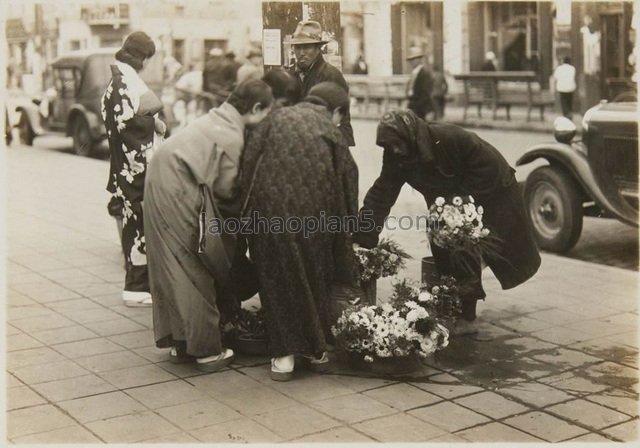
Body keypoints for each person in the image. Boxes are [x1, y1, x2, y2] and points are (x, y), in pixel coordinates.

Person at [354, 110, 541, 336]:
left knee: (463, 241)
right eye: (388, 146)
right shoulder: (396, 154)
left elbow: (486, 166)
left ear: (410, 137)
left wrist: (459, 210)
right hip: (449, 199)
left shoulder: (448, 138)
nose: (393, 151)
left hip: (493, 188)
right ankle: (452, 303)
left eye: (396, 145)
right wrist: (363, 236)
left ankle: (467, 317)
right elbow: (383, 192)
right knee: (443, 238)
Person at [143, 80, 273, 372]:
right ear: (255, 109)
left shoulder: (218, 117)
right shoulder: (232, 135)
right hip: (177, 186)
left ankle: (181, 343)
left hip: (159, 180)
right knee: (193, 266)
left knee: (170, 266)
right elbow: (227, 193)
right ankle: (206, 351)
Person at [240, 81, 359, 381]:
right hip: (315, 220)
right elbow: (349, 181)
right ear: (337, 111)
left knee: (276, 282)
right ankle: (316, 351)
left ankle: (283, 357)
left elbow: (249, 164)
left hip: (268, 218)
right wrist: (348, 229)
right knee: (314, 278)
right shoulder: (333, 132)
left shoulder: (274, 118)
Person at [101, 31, 167, 308]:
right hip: (135, 167)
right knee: (138, 226)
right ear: (143, 57)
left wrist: (152, 121)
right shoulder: (125, 84)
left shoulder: (119, 81)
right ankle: (136, 287)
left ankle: (140, 283)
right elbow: (133, 126)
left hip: (125, 164)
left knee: (136, 225)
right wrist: (154, 124)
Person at [288, 20, 355, 146]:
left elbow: (340, 118)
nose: (301, 53)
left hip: (328, 141)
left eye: (306, 47)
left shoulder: (330, 75)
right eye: (297, 47)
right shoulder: (291, 74)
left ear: (318, 48)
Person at [406, 46, 433, 121]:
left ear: (419, 59)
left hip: (421, 107)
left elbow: (426, 93)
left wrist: (417, 106)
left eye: (413, 59)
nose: (411, 62)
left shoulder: (424, 73)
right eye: (410, 60)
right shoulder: (414, 73)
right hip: (412, 104)